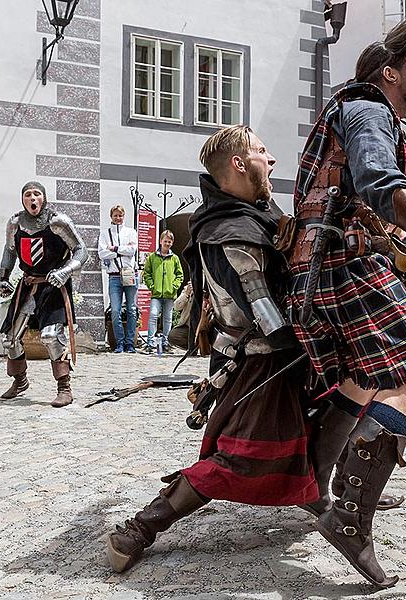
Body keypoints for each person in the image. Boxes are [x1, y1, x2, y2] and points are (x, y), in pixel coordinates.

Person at [286, 7, 406, 588]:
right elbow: (381, 187)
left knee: (360, 380)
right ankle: (349, 519)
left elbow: (356, 198)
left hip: (320, 263)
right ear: (391, 71)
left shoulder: (348, 110)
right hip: (342, 263)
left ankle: (314, 484)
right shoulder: (368, 111)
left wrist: (403, 242)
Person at [107, 126, 328, 573]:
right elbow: (265, 315)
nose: (273, 160)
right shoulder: (231, 231)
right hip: (260, 359)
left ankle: (324, 499)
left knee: (320, 422)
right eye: (263, 152)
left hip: (281, 357)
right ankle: (140, 529)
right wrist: (325, 335)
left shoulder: (256, 213)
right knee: (237, 461)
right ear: (238, 164)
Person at [0, 181, 86, 407]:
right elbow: (10, 251)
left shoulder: (58, 222)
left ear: (43, 198)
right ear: (23, 199)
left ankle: (64, 387)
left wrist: (64, 272)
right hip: (28, 285)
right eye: (27, 195)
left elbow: (81, 251)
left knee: (50, 336)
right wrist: (2, 278)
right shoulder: (15, 223)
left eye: (36, 194)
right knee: (9, 338)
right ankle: (20, 380)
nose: (32, 199)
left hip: (53, 285)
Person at [98, 205, 139, 353]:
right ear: (111, 216)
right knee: (115, 311)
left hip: (130, 274)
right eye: (115, 215)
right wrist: (122, 251)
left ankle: (130, 343)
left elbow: (133, 250)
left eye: (120, 215)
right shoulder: (105, 233)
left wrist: (114, 249)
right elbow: (102, 253)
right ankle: (119, 342)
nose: (118, 218)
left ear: (123, 216)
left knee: (132, 310)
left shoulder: (130, 232)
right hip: (114, 276)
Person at [142, 230, 184, 353]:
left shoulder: (175, 259)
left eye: (169, 241)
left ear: (172, 243)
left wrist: (174, 287)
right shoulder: (152, 257)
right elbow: (147, 273)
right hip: (156, 294)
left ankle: (166, 343)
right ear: (161, 241)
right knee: (153, 315)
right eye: (165, 241)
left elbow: (179, 275)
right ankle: (150, 343)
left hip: (169, 294)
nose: (167, 243)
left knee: (167, 319)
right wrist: (152, 286)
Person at [167, 280, 193, 350]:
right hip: (189, 325)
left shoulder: (209, 289)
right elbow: (176, 307)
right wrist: (186, 294)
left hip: (205, 324)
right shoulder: (188, 289)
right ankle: (192, 347)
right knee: (173, 336)